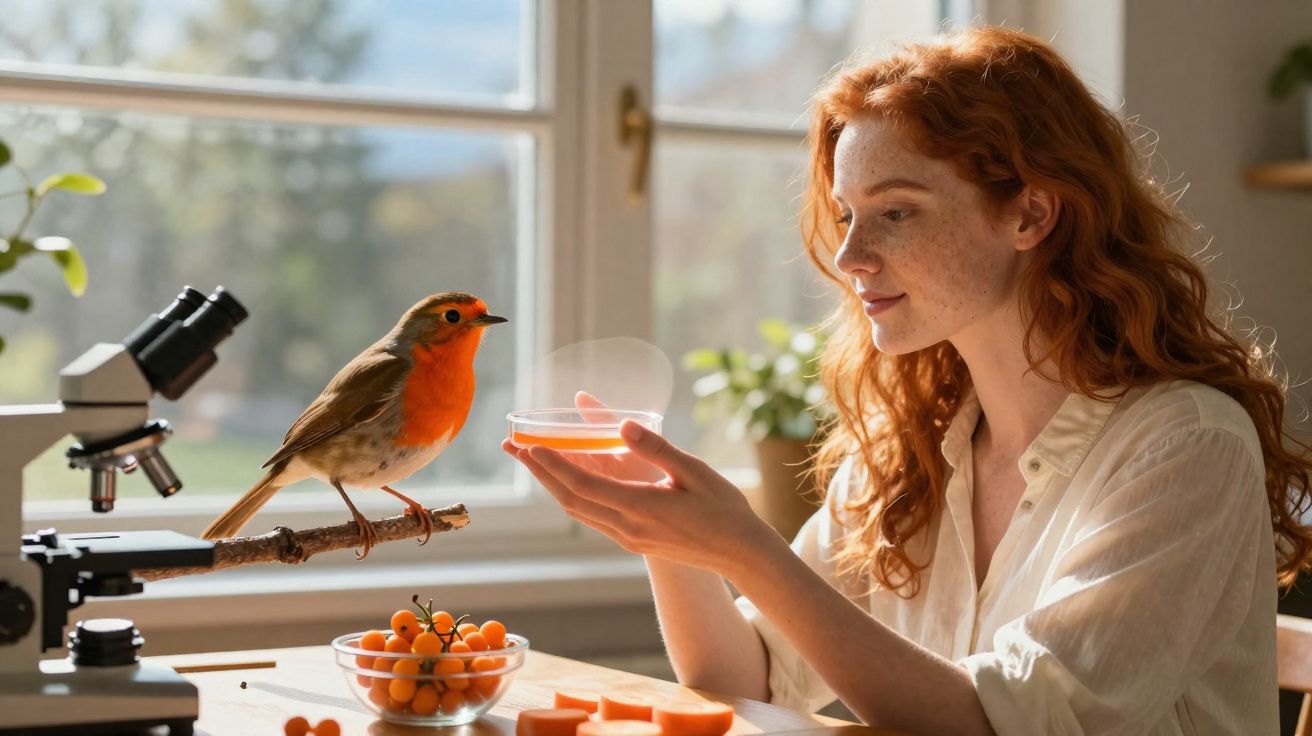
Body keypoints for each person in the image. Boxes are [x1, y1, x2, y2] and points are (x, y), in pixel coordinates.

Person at [503, 25, 1312, 736]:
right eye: (846, 214)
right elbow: (742, 680)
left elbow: (999, 726)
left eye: (896, 212)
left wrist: (748, 547)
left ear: (1031, 215)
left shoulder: (1185, 447)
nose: (850, 256)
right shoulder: (915, 446)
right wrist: (667, 532)